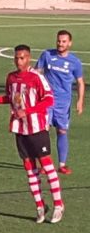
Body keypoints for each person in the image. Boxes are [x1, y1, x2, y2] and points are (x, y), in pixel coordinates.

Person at [0, 44, 64, 224]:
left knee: (46, 165)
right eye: (16, 58)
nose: (18, 61)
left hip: (37, 128)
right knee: (29, 168)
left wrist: (28, 111)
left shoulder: (36, 77)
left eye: (22, 58)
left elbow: (49, 99)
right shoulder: (11, 77)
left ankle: (58, 205)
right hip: (20, 129)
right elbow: (12, 98)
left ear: (29, 58)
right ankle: (40, 206)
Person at [35, 30, 85, 175]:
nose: (60, 44)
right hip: (46, 100)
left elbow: (80, 82)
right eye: (59, 41)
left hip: (63, 103)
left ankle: (62, 165)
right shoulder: (47, 55)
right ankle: (44, 164)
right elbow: (36, 73)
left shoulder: (75, 62)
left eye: (64, 41)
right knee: (43, 131)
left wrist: (80, 101)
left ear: (70, 43)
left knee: (62, 131)